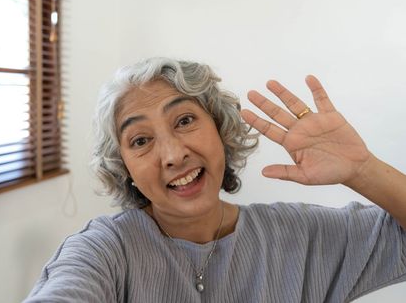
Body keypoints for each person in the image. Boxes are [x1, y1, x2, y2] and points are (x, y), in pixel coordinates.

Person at [23, 57, 406, 302]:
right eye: (141, 140)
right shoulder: (104, 251)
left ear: (220, 128)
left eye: (185, 121)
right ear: (125, 169)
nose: (173, 155)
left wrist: (363, 170)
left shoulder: (298, 234)